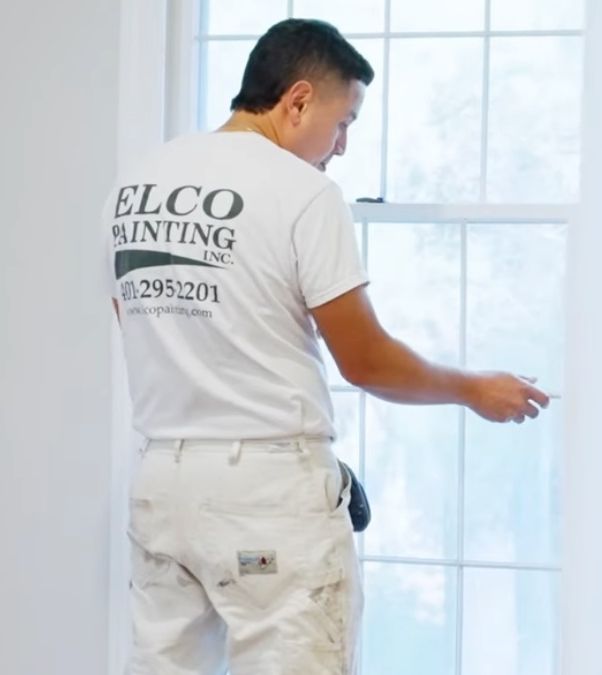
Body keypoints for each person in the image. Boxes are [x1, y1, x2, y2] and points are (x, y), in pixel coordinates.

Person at [104, 18, 551, 675]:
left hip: (162, 484)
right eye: (343, 121)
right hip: (265, 494)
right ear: (298, 99)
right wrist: (472, 387)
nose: (340, 147)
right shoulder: (303, 193)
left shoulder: (139, 182)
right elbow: (364, 359)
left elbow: (130, 313)